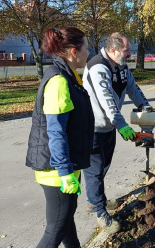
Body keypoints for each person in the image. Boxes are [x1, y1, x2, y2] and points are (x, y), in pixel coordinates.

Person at [26, 27, 94, 247]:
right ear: (74, 52)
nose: (88, 53)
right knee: (55, 229)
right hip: (56, 170)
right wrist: (65, 173)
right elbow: (55, 131)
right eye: (86, 48)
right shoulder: (58, 81)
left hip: (65, 165)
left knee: (65, 222)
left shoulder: (69, 75)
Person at [82, 32, 151, 233]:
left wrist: (148, 110)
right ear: (113, 50)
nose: (130, 53)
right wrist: (121, 124)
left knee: (104, 166)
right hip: (92, 128)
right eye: (126, 50)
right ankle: (100, 212)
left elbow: (133, 89)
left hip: (109, 127)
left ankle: (94, 199)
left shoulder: (120, 66)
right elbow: (106, 100)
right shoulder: (97, 67)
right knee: (94, 172)